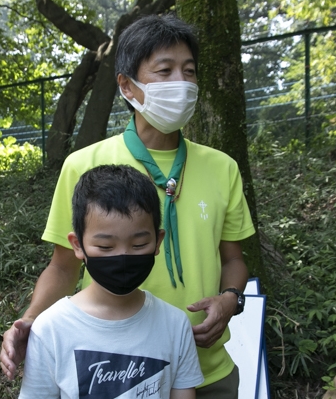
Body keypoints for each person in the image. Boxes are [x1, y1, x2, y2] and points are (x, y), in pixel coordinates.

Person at [1, 13, 255, 398]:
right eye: (165, 70)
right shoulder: (83, 165)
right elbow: (63, 265)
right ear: (127, 85)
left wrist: (230, 300)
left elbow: (233, 259)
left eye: (189, 71)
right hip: (113, 373)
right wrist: (30, 320)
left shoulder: (223, 168)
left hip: (209, 370)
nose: (181, 84)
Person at [18, 165, 204, 399]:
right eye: (105, 247)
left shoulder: (176, 325)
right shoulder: (50, 330)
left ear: (158, 242)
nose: (123, 257)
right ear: (77, 245)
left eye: (138, 245)